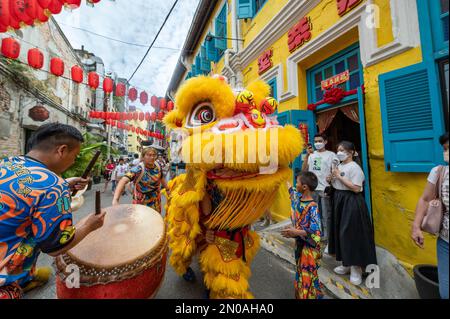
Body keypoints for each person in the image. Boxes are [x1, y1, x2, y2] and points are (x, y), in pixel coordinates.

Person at [0, 123, 106, 299]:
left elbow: (26, 191)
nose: (74, 161)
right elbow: (56, 246)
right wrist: (90, 224)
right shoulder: (53, 186)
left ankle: (28, 277)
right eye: (75, 156)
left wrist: (63, 184)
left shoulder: (8, 163)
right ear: (62, 150)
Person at [326, 141, 377, 286]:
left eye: (342, 150)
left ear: (351, 152)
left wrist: (339, 176)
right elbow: (334, 183)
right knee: (339, 232)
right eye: (338, 150)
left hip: (351, 202)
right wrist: (330, 178)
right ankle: (345, 263)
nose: (339, 152)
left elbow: (356, 188)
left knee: (350, 234)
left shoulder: (355, 168)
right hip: (338, 199)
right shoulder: (339, 166)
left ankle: (356, 269)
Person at [412, 132, 449, 299]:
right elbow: (425, 199)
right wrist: (416, 227)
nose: (447, 152)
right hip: (446, 242)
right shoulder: (439, 172)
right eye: (446, 148)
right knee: (446, 292)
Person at [282, 172, 323, 299]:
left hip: (309, 249)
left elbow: (316, 232)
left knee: (306, 278)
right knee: (300, 274)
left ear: (304, 187)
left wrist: (295, 232)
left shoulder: (313, 208)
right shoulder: (297, 198)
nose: (295, 185)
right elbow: (290, 190)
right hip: (299, 246)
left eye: (298, 183)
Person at [302, 133, 339, 248]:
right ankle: (318, 235)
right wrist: (307, 156)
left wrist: (331, 178)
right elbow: (304, 170)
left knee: (326, 215)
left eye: (320, 141)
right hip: (313, 189)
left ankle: (328, 239)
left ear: (325, 142)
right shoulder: (312, 155)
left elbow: (336, 170)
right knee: (315, 214)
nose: (317, 143)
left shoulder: (331, 155)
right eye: (316, 141)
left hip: (324, 189)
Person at [112, 147, 169, 213]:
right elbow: (123, 181)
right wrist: (116, 199)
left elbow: (161, 177)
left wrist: (167, 189)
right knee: (141, 221)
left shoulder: (157, 166)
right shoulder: (138, 169)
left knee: (155, 220)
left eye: (154, 155)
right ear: (143, 157)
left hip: (156, 200)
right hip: (141, 202)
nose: (152, 157)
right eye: (149, 155)